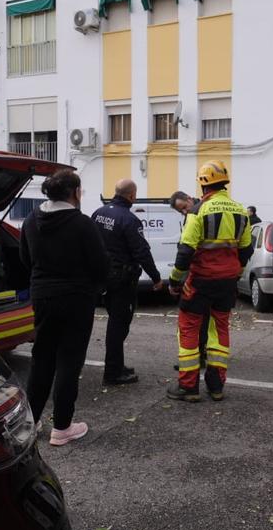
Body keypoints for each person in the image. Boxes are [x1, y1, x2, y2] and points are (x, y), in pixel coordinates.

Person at [19, 168, 109, 446]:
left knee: (42, 357)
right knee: (69, 361)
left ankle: (31, 421)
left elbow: (25, 258)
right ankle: (62, 427)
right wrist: (99, 286)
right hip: (76, 299)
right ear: (73, 192)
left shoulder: (31, 220)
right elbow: (101, 264)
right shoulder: (81, 223)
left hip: (43, 296)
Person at [166, 161, 253, 402]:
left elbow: (185, 251)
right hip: (227, 283)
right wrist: (236, 271)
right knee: (220, 330)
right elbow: (246, 249)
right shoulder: (241, 211)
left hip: (200, 281)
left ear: (203, 184)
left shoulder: (198, 211)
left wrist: (174, 281)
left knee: (190, 329)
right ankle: (216, 386)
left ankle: (188, 387)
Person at [91, 178, 163, 385]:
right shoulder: (129, 219)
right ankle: (113, 372)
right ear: (132, 195)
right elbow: (141, 251)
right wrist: (156, 278)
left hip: (104, 278)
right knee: (119, 325)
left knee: (116, 322)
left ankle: (116, 364)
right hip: (122, 281)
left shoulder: (99, 213)